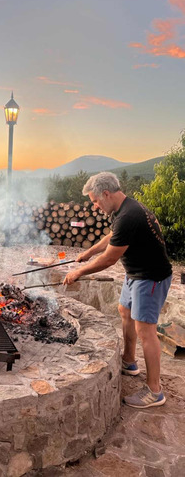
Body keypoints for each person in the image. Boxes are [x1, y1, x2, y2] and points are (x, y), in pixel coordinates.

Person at [63, 172, 172, 409]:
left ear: (106, 194)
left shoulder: (128, 216)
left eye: (95, 201)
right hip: (136, 274)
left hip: (150, 277)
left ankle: (155, 391)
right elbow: (112, 237)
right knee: (125, 310)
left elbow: (109, 259)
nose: (94, 206)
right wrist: (89, 252)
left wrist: (77, 273)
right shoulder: (124, 209)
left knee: (146, 330)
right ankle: (129, 362)